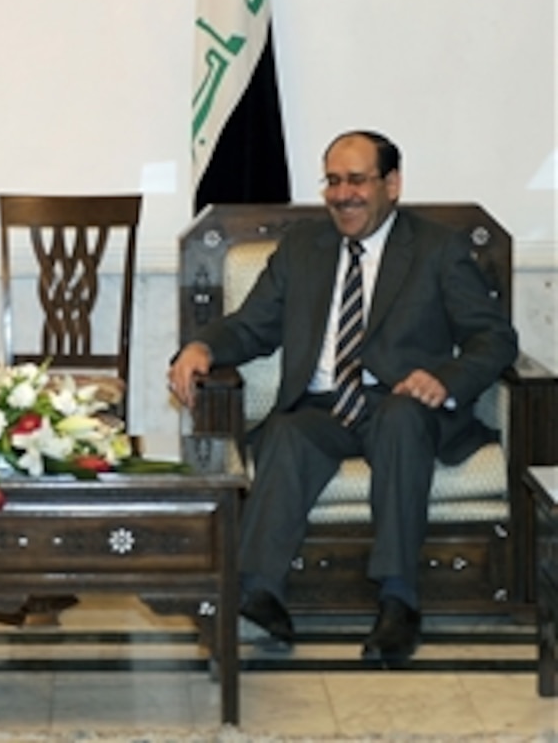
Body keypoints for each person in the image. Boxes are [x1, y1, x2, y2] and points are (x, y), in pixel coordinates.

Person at [168, 130, 518, 662]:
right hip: (325, 407)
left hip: (402, 405)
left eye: (357, 180)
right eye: (332, 181)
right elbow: (252, 326)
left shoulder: (437, 249)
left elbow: (494, 338)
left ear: (392, 184)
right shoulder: (304, 248)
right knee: (284, 432)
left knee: (401, 420)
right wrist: (201, 346)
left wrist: (445, 378)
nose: (342, 194)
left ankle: (399, 602)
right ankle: (259, 594)